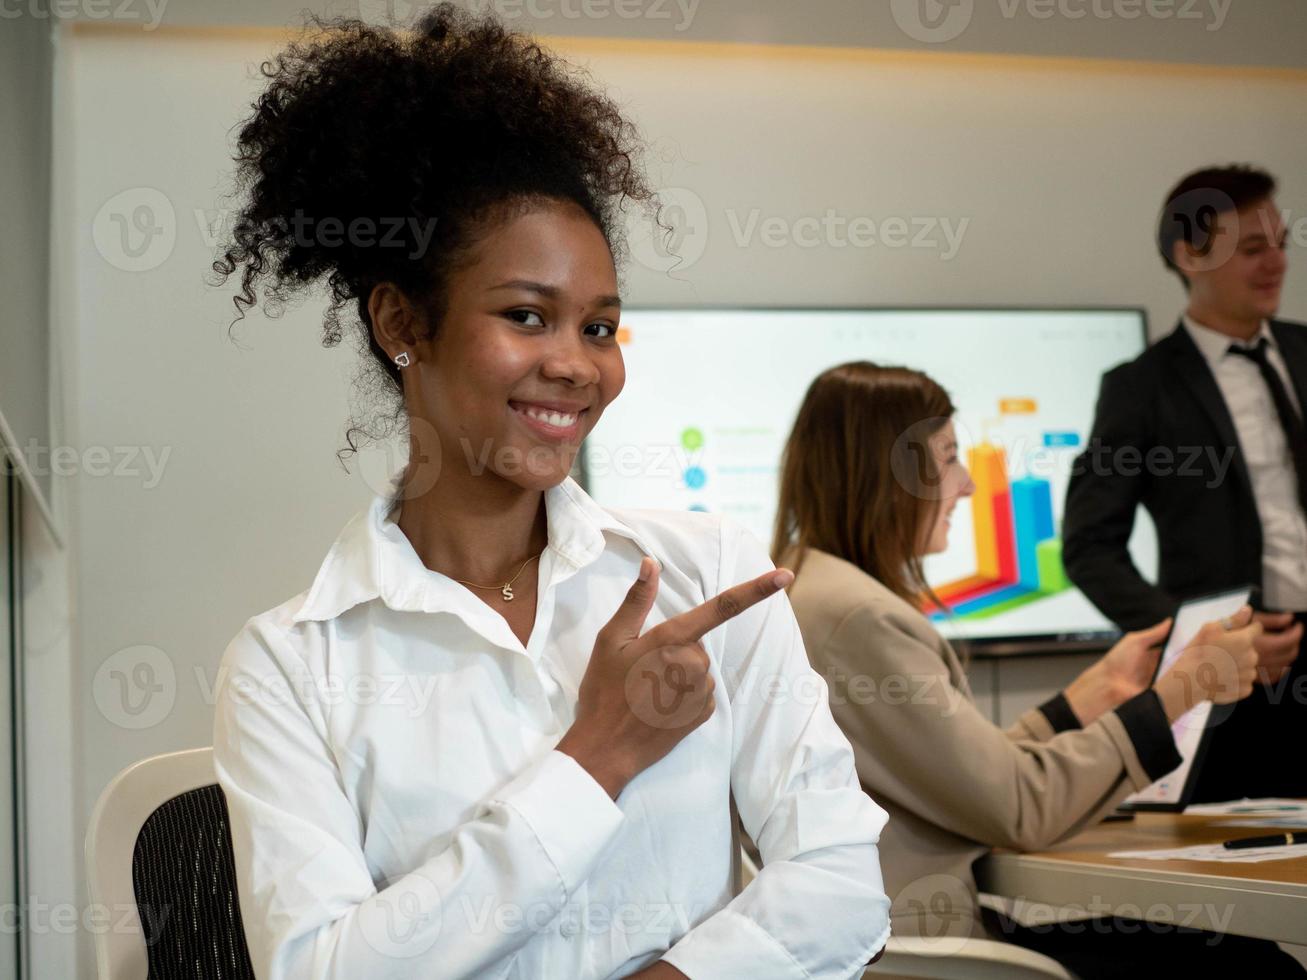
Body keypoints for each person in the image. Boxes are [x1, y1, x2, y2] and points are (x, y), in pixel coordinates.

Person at [207, 7, 891, 979]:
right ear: (403, 320)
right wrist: (599, 753)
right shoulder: (290, 662)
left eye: (600, 328)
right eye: (528, 316)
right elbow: (326, 968)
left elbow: (836, 876)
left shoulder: (707, 577)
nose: (575, 366)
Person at [773, 361, 1303, 977]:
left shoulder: (813, 589)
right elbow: (1019, 809)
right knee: (1252, 968)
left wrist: (1083, 698)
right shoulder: (862, 618)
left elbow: (967, 776)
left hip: (894, 937)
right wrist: (1183, 689)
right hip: (930, 950)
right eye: (948, 460)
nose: (968, 486)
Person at [1063, 165, 1307, 802]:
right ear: (1188, 256)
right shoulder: (1140, 388)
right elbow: (1089, 546)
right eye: (1251, 249)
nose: (1275, 262)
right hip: (1236, 683)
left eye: (1280, 242)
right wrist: (1191, 638)